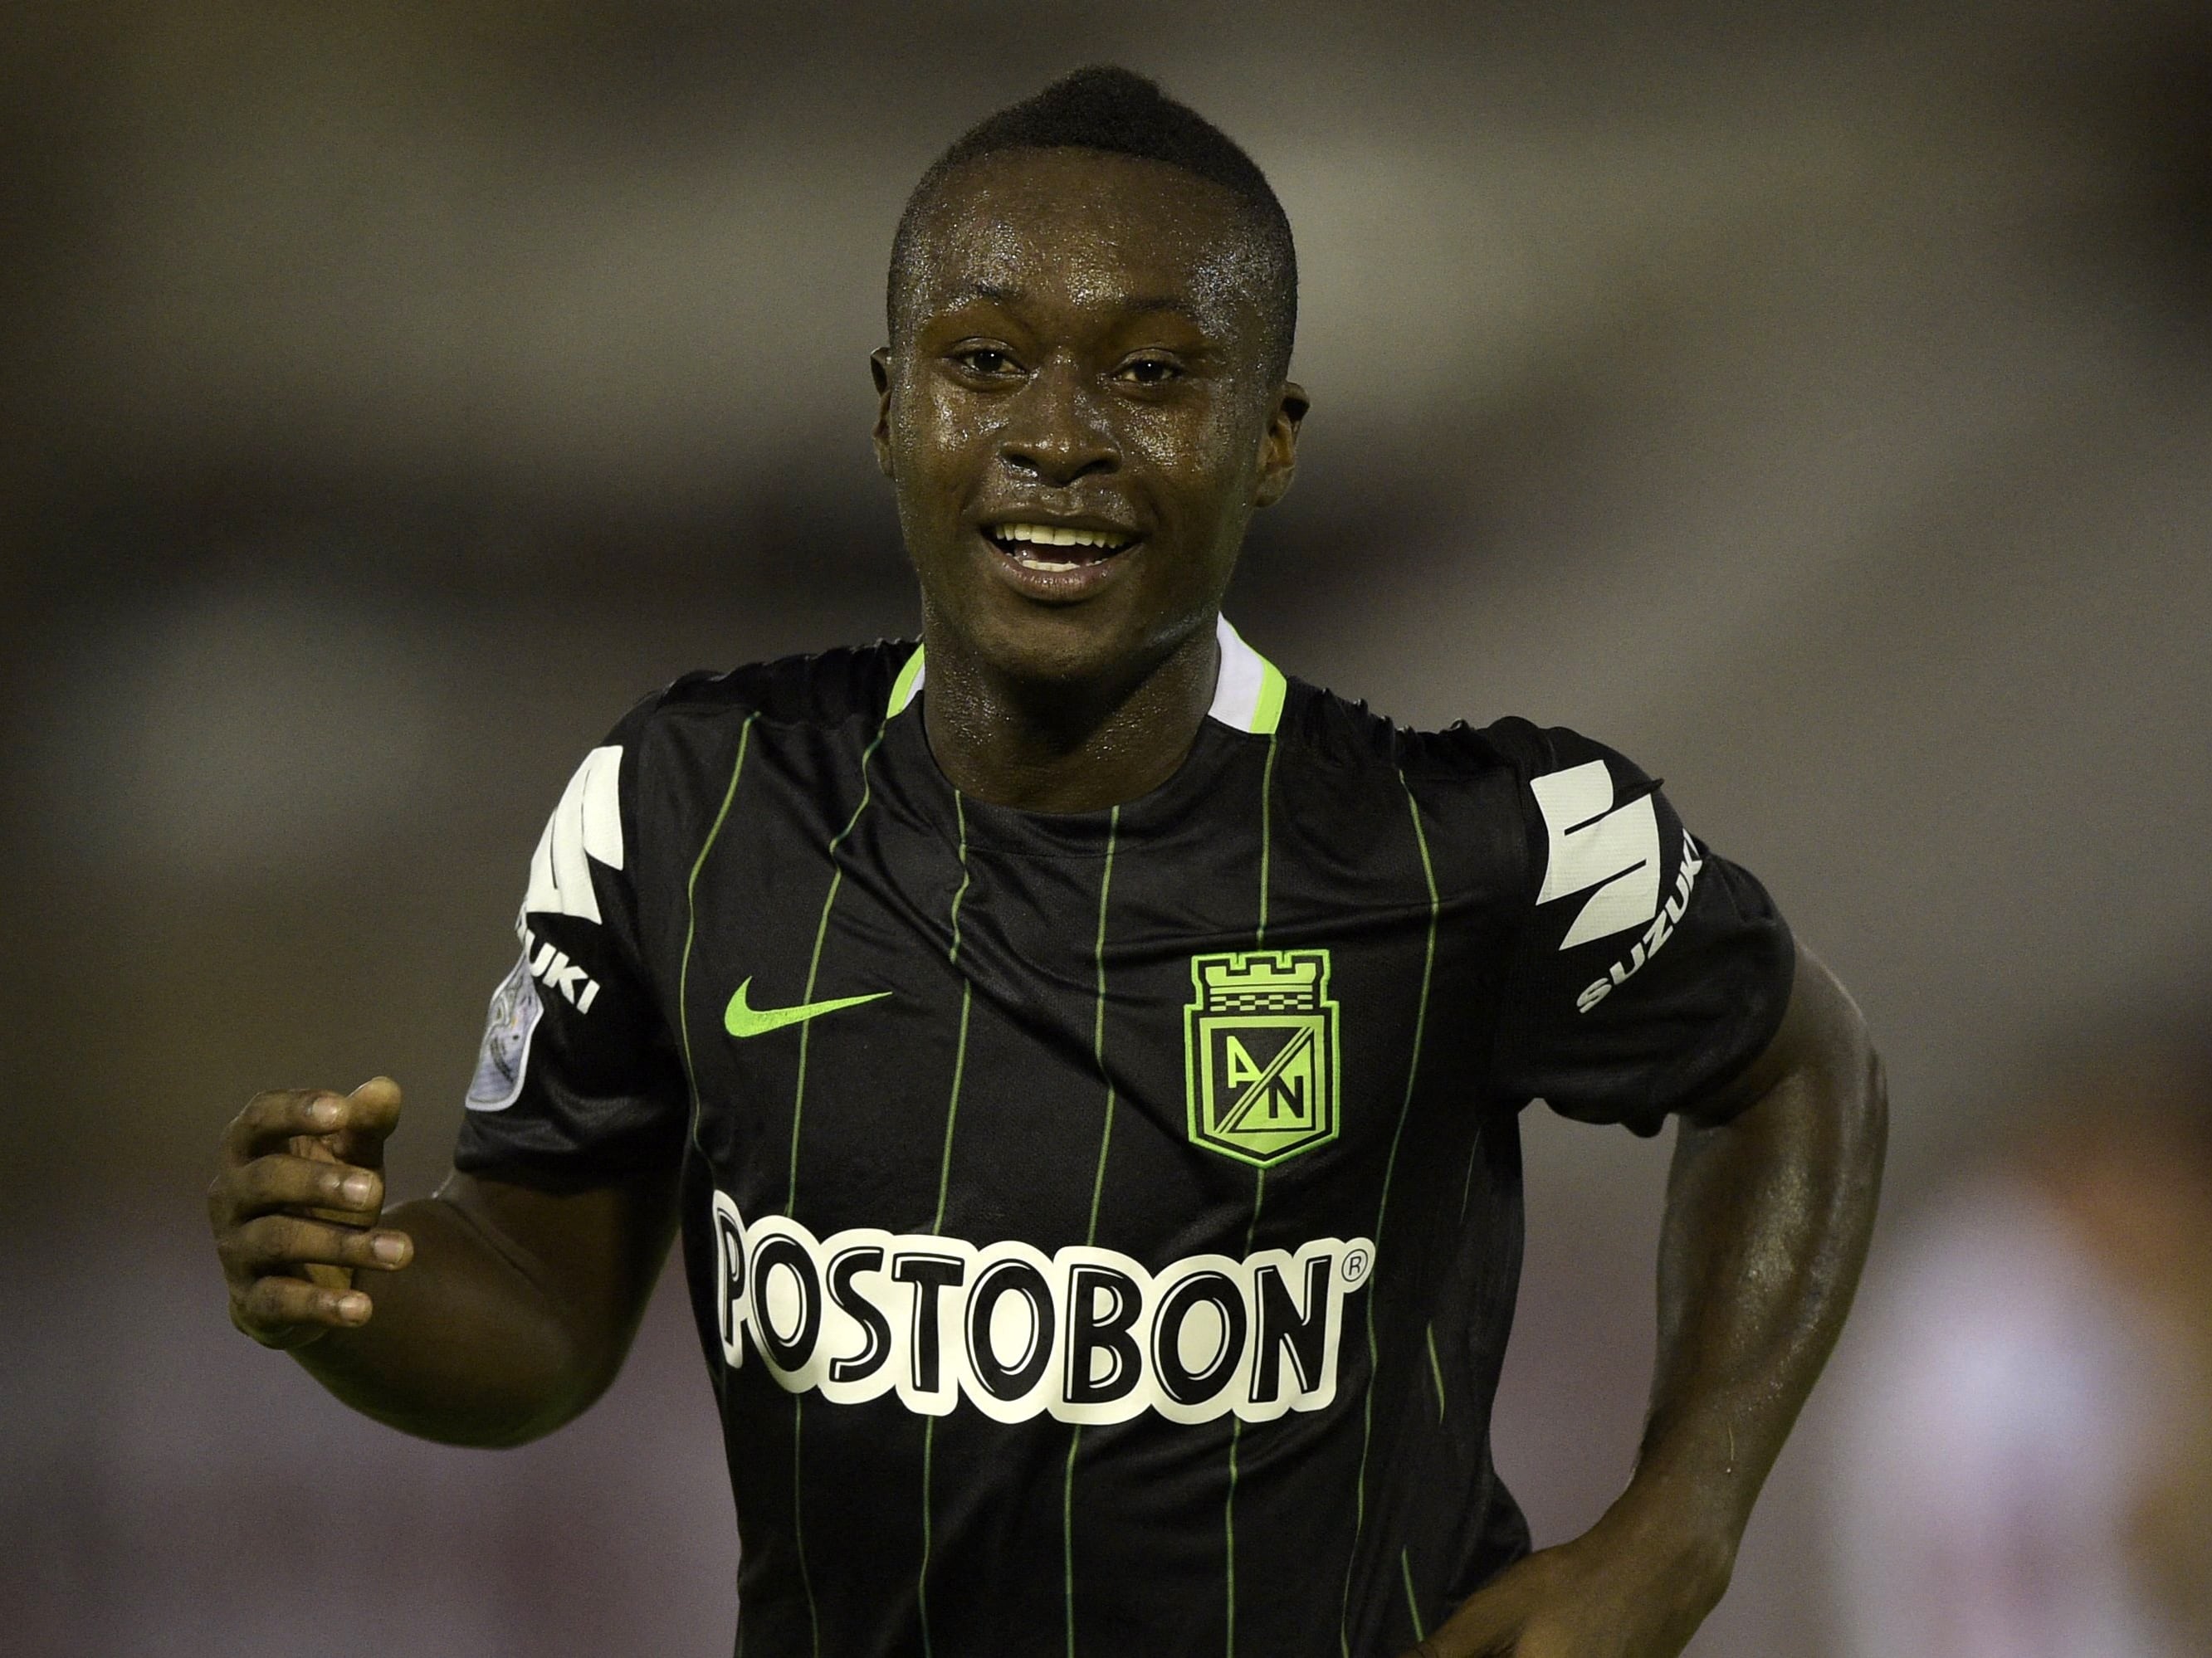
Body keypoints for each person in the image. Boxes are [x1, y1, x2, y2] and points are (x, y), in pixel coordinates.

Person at [207, 66, 1886, 1658]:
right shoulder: (685, 808)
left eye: (1152, 374)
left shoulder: (1470, 844)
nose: (1058, 435)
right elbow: (539, 1314)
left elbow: (1799, 1064)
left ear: (1275, 437)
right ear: (890, 409)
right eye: (986, 361)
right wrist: (349, 1289)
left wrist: (1683, 1522)